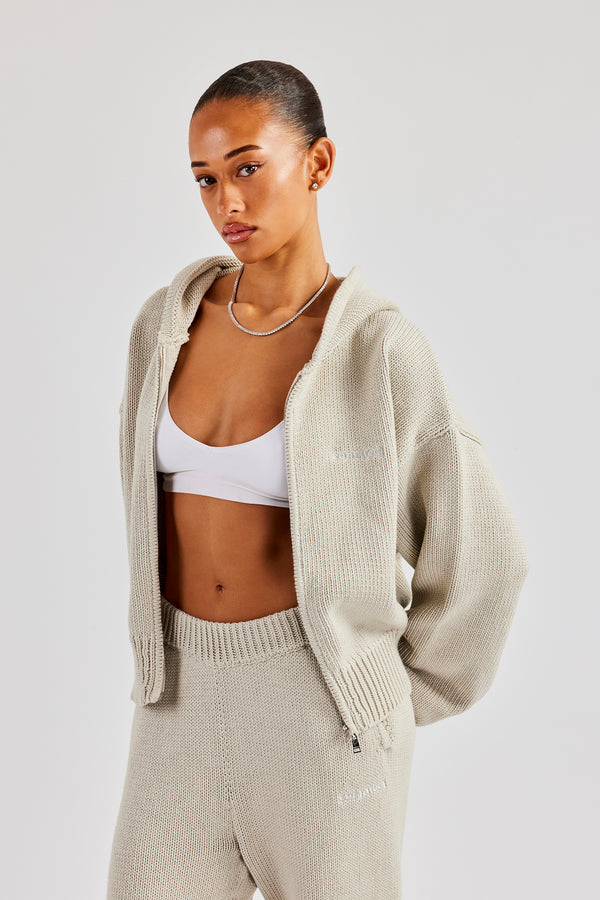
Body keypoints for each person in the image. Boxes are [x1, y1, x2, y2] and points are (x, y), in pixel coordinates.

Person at [106, 60, 529, 900]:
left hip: (323, 716)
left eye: (247, 168)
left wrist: (388, 693)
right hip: (174, 706)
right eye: (205, 178)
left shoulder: (380, 349)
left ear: (318, 163)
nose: (226, 201)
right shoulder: (164, 326)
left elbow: (488, 554)